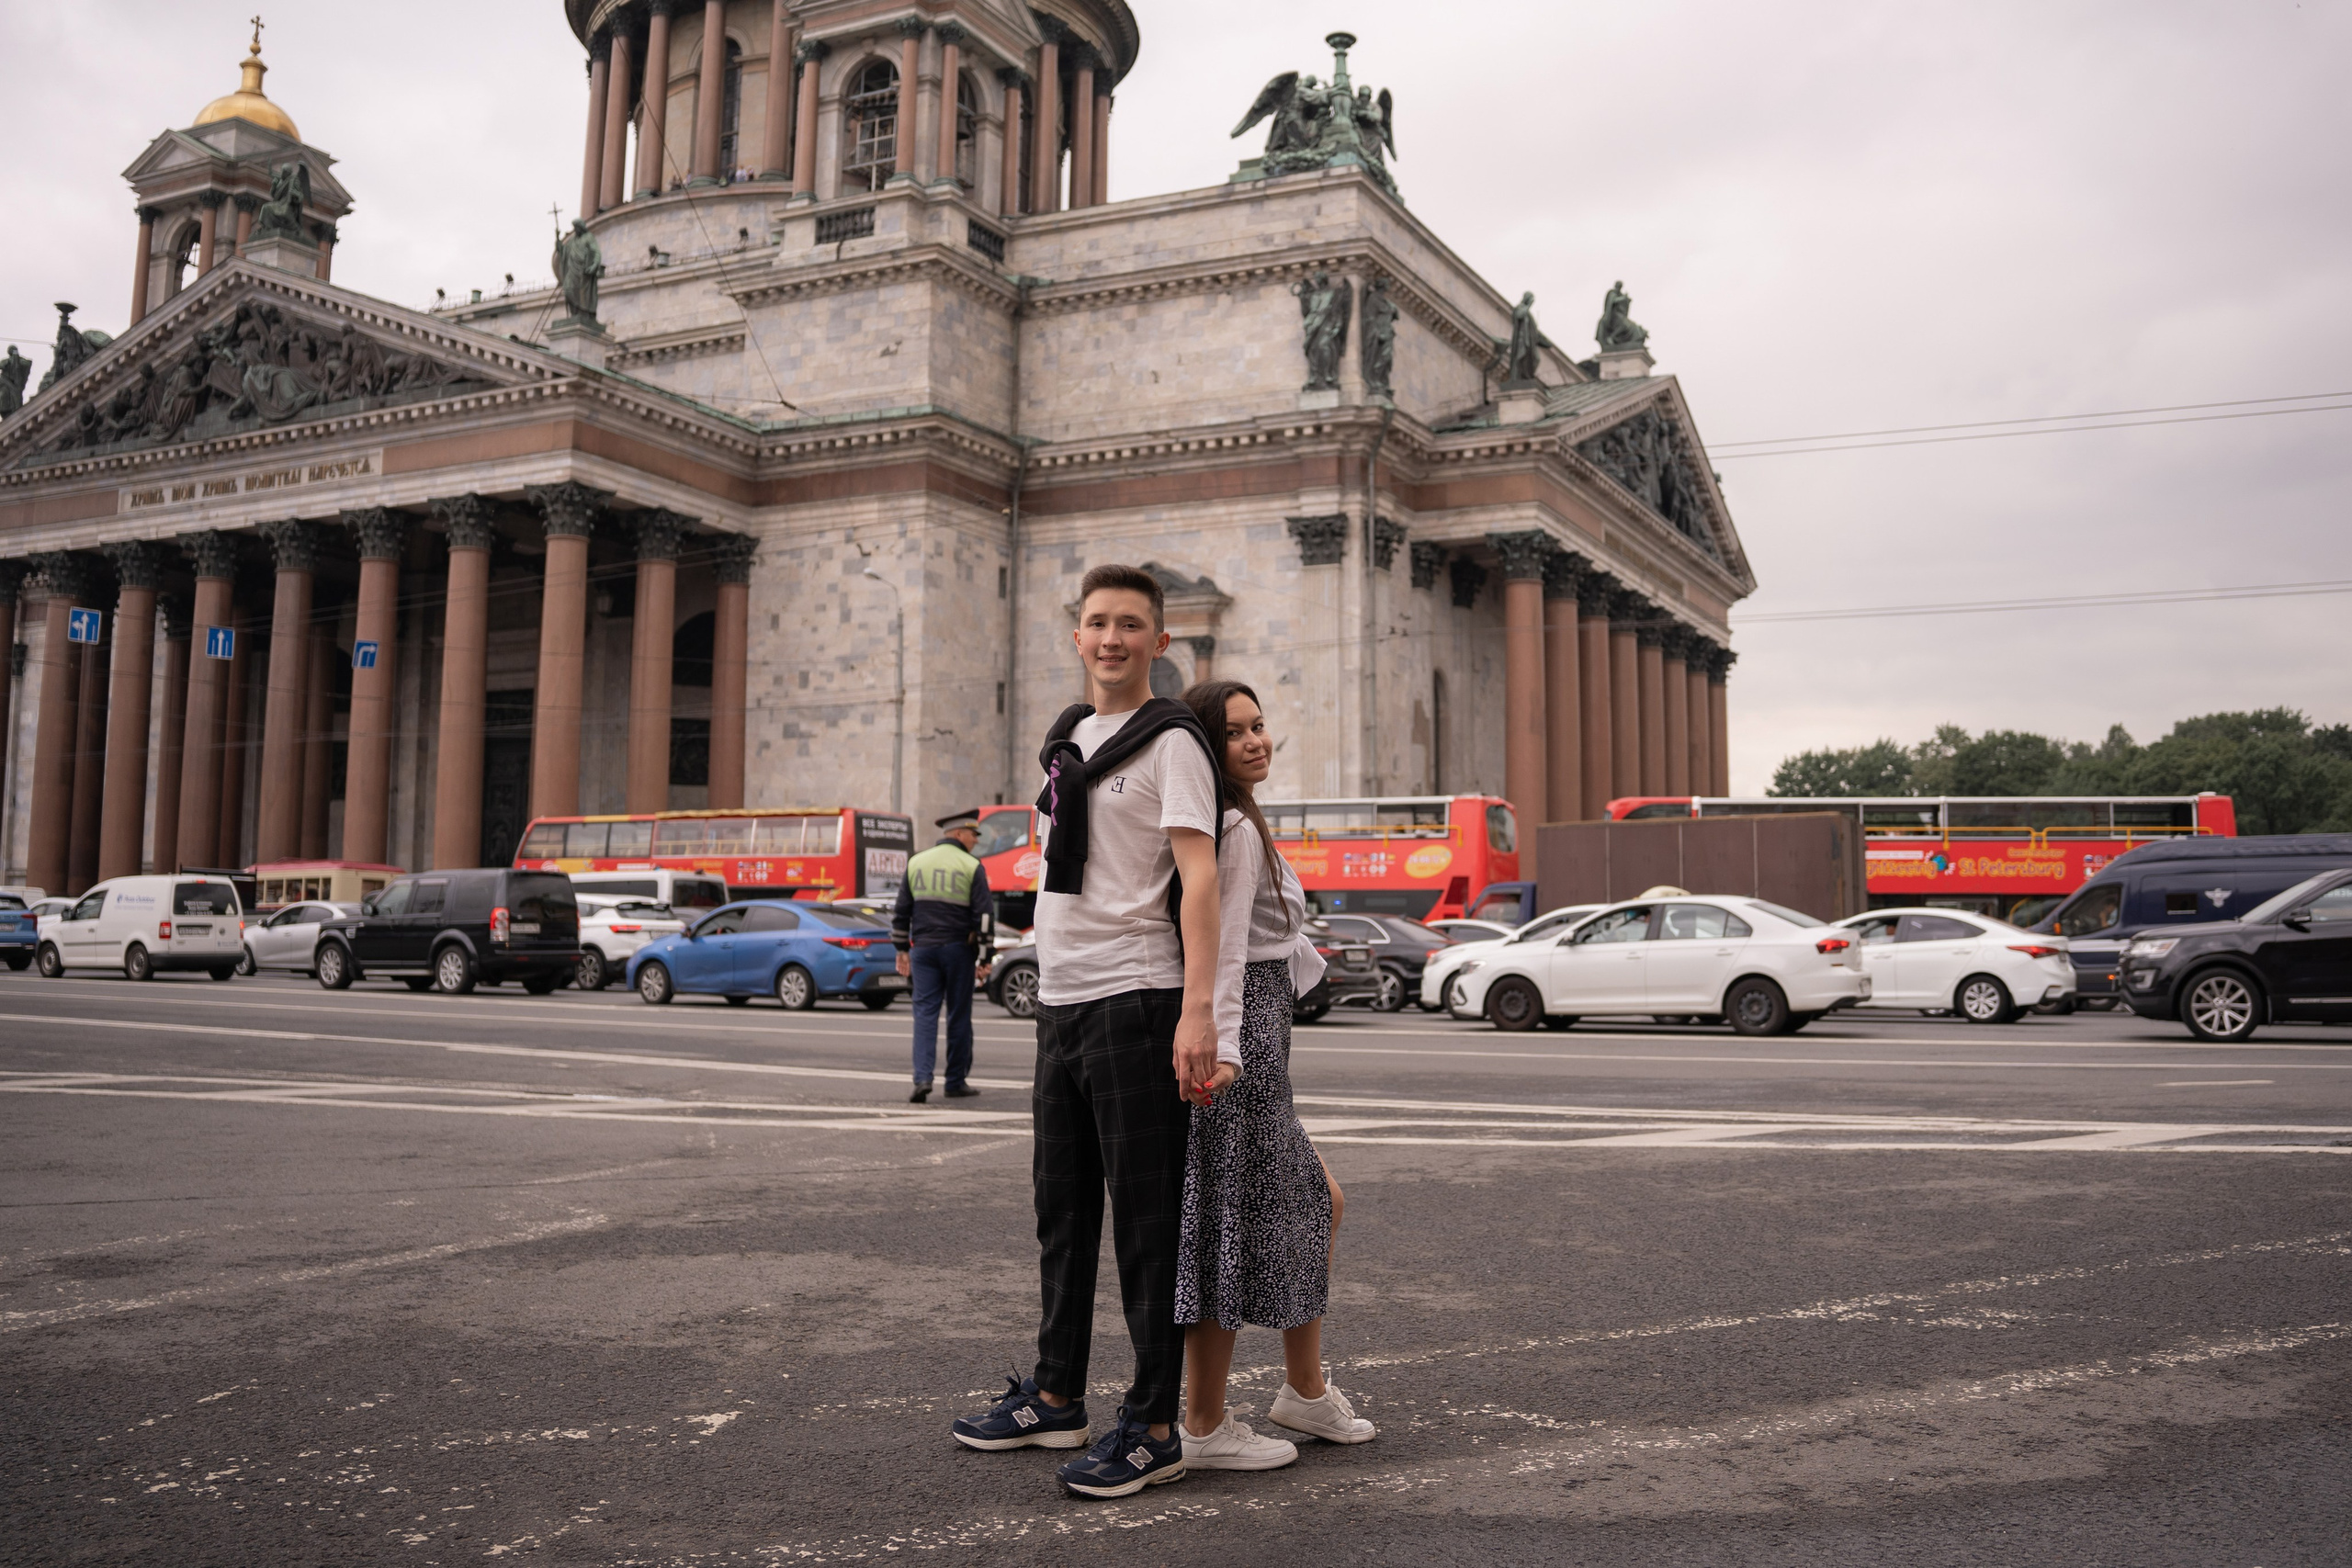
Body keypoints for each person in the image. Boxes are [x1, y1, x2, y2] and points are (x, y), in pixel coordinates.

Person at [950, 563, 1236, 1500]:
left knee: (1145, 1226)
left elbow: (1200, 879)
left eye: (1130, 627)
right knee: (1060, 1210)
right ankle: (1056, 1393)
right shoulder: (1067, 738)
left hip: (1138, 996)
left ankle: (1154, 1424)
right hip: (1061, 1001)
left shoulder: (1173, 744)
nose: (1110, 639)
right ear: (1075, 636)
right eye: (1096, 623)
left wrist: (1198, 1011)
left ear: (1161, 644)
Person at [1173, 680, 1375, 1472]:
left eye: (1260, 726)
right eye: (1235, 733)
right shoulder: (1234, 828)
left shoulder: (1238, 820)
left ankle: (1301, 1389)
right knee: (1240, 1222)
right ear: (1207, 748)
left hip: (1259, 1038)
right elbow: (1220, 945)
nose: (1256, 741)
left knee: (1299, 1205)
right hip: (1244, 1046)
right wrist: (1223, 1047)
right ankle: (1208, 1419)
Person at [892, 808, 994, 1104]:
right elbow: (984, 917)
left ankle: (922, 1078)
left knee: (924, 1015)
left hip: (922, 950)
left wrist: (901, 950)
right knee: (958, 1015)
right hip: (957, 951)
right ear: (959, 834)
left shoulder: (916, 862)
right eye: (973, 835)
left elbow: (901, 912)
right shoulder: (971, 865)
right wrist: (985, 958)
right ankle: (955, 1082)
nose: (975, 840)